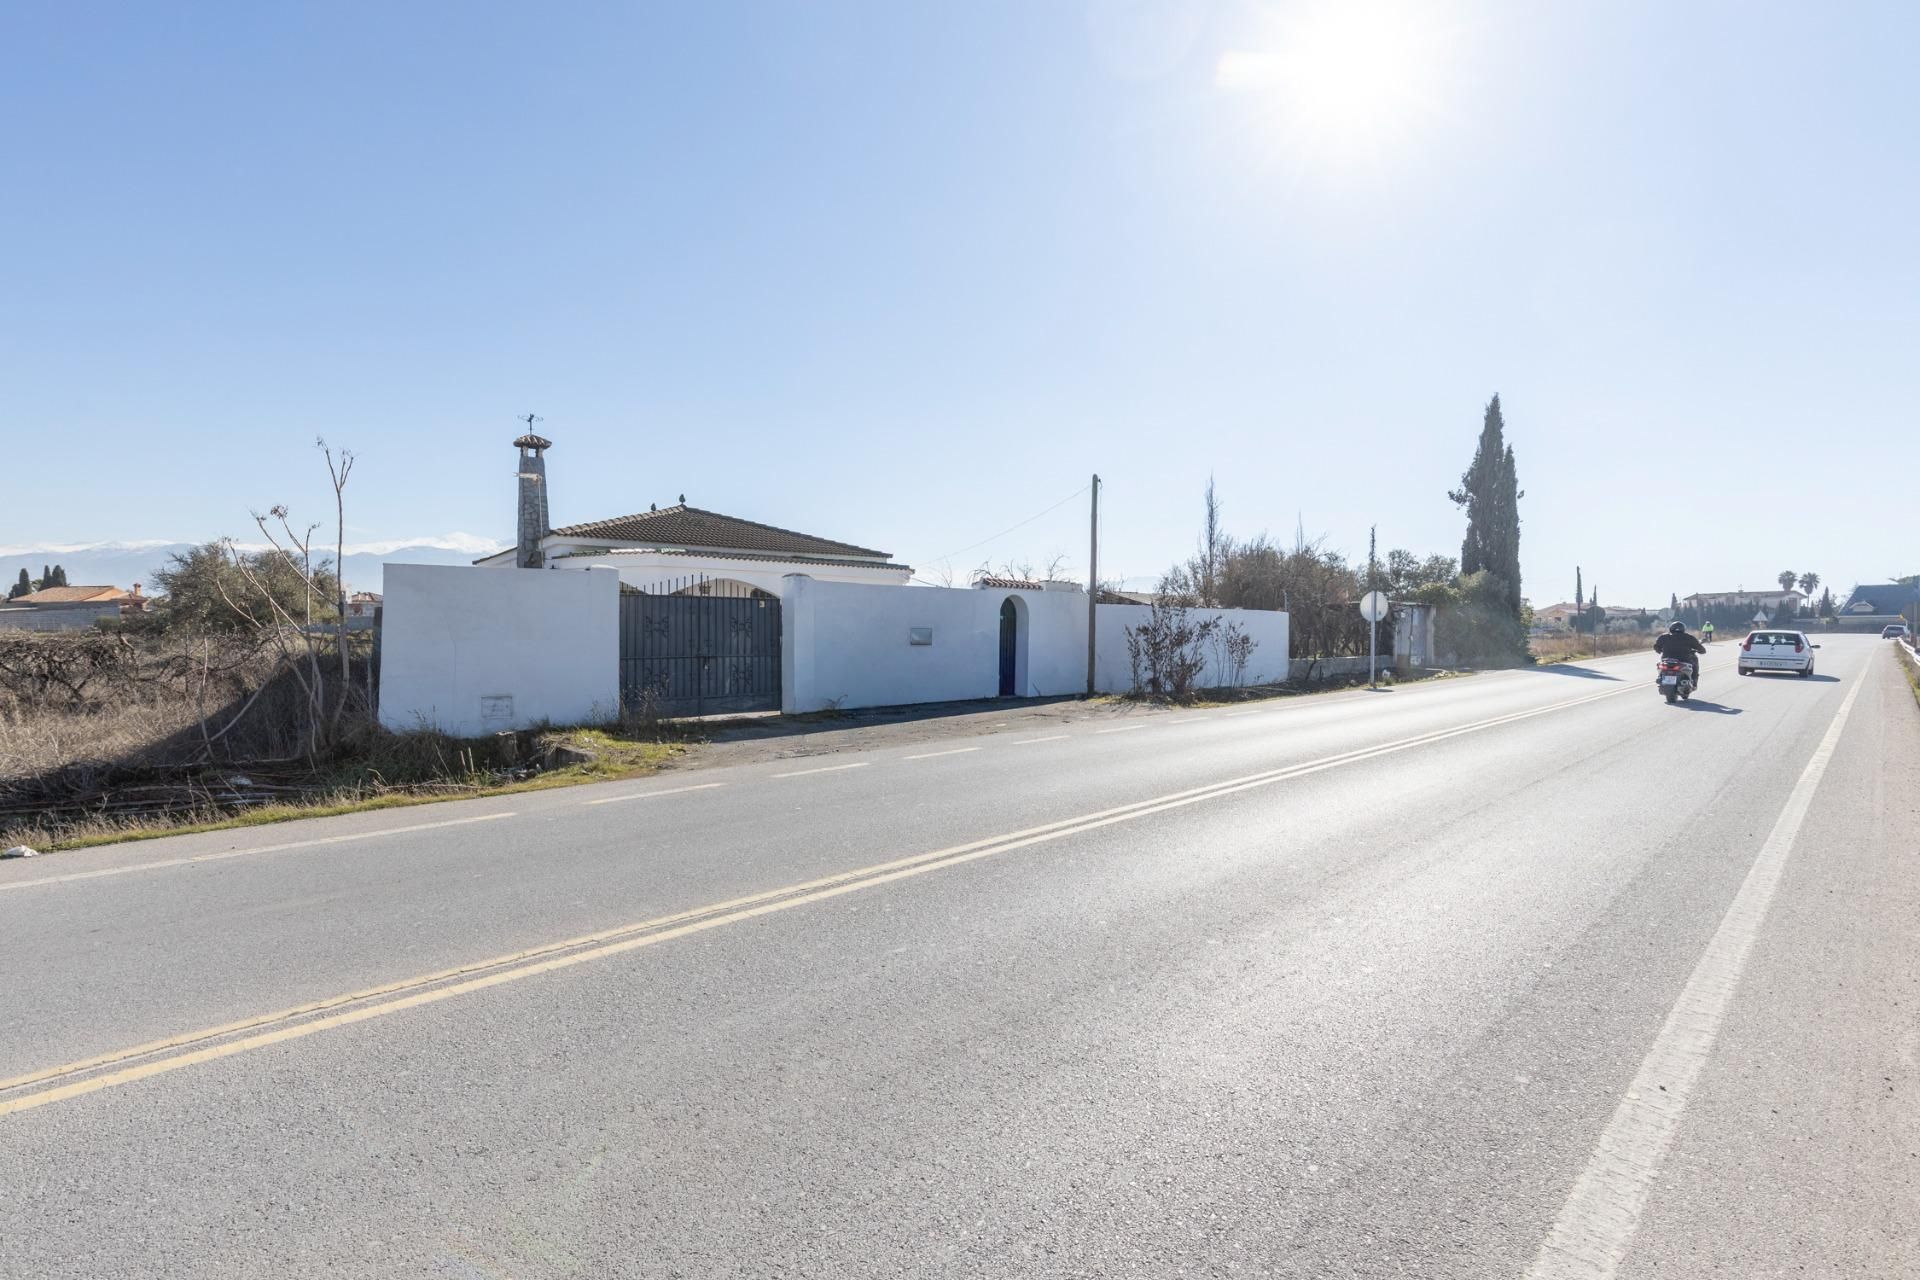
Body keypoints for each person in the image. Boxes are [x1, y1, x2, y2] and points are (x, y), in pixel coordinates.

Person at [1654, 620, 1707, 686]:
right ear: (1683, 629)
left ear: (1671, 628)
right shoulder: (1689, 637)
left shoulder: (1663, 637)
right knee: (1694, 665)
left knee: (1660, 665)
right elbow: (1699, 647)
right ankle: (1694, 682)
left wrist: (1660, 651)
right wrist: (1701, 651)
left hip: (1667, 660)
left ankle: (1660, 677)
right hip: (1684, 660)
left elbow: (1656, 646)